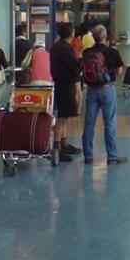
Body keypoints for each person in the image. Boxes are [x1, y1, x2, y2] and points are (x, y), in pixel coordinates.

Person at [81, 25, 128, 165]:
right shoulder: (111, 52)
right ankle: (112, 156)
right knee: (110, 122)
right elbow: (119, 72)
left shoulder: (87, 52)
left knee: (89, 122)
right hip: (107, 89)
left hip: (91, 90)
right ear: (105, 37)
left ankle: (88, 155)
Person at [50, 22, 82, 161]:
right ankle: (57, 148)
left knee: (65, 116)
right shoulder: (66, 49)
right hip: (66, 85)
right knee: (62, 118)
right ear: (71, 33)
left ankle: (63, 143)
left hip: (59, 83)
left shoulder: (56, 47)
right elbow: (76, 65)